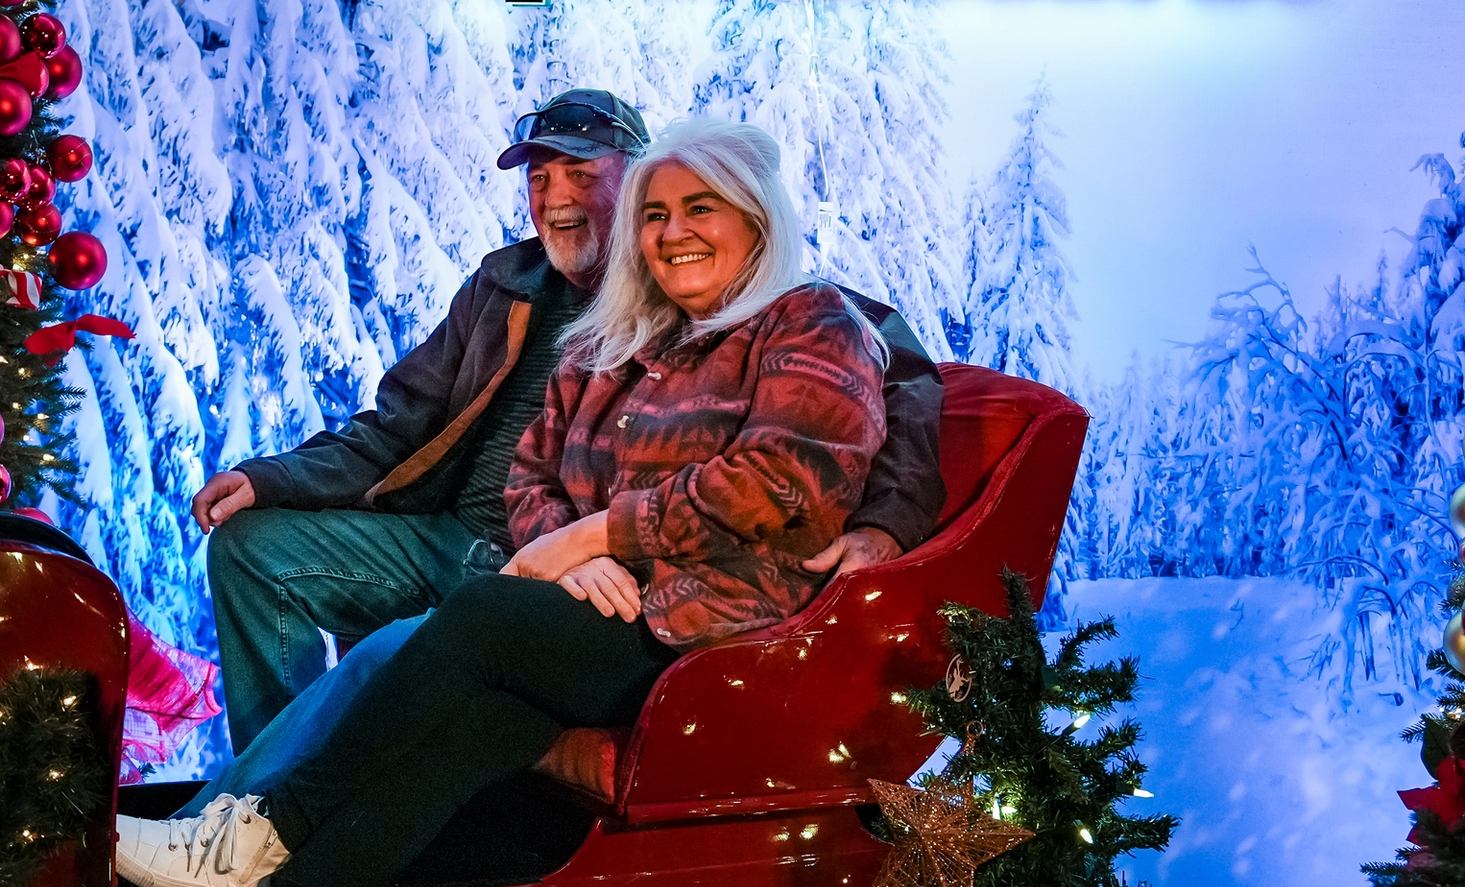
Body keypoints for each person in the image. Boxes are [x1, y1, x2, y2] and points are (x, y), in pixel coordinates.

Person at [115, 119, 890, 887]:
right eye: (657, 216)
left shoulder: (812, 323)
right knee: (488, 722)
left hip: (721, 630)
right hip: (599, 608)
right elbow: (530, 471)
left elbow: (783, 480)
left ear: (756, 220)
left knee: (481, 616)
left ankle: (260, 829)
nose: (674, 232)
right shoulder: (616, 340)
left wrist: (595, 535)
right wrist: (572, 552)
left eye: (702, 209)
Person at [194, 88, 945, 755]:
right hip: (447, 536)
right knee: (252, 549)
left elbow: (899, 376)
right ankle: (261, 792)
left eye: (581, 174)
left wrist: (887, 523)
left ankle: (279, 812)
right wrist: (271, 478)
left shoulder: (731, 290)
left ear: (641, 175)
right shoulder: (503, 283)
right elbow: (400, 421)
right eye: (538, 176)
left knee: (396, 656)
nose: (554, 196)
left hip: (553, 565)